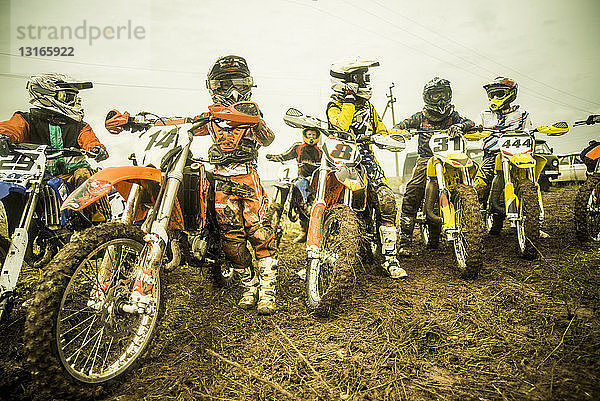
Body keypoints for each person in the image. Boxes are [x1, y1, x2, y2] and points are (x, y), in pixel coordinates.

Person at [196, 55, 278, 315]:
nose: (231, 90)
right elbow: (184, 123)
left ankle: (267, 291)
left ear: (248, 84)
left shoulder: (252, 111)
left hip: (247, 177)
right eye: (224, 84)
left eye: (239, 83)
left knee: (259, 232)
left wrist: (255, 121)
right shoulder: (210, 116)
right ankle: (249, 285)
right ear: (213, 86)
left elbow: (268, 139)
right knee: (231, 238)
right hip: (220, 180)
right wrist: (137, 123)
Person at [326, 57, 407, 279]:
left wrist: (392, 137)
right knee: (326, 200)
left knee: (386, 201)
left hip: (366, 156)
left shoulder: (369, 107)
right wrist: (349, 99)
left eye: (365, 77)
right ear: (346, 81)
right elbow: (341, 125)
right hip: (340, 155)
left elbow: (381, 130)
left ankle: (390, 258)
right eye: (360, 78)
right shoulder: (335, 104)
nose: (365, 81)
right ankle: (320, 253)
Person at [0, 73, 110, 233]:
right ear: (46, 96)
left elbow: (89, 139)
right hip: (37, 177)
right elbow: (11, 128)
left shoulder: (79, 126)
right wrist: (3, 136)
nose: (74, 102)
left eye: (75, 98)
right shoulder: (26, 120)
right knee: (14, 192)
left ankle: (101, 228)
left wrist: (96, 148)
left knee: (88, 177)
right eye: (68, 97)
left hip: (71, 176)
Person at [394, 77, 475, 255]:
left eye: (444, 94)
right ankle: (405, 240)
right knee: (413, 191)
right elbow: (399, 126)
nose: (441, 99)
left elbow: (471, 123)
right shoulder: (420, 116)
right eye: (436, 95)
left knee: (471, 178)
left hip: (450, 158)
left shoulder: (453, 115)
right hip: (427, 158)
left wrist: (460, 126)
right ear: (428, 97)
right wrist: (402, 133)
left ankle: (470, 216)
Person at [472, 77, 533, 216]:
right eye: (491, 94)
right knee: (479, 186)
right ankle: (475, 215)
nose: (494, 97)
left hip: (518, 155)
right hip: (492, 155)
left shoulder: (522, 114)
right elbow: (475, 131)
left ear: (511, 94)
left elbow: (530, 132)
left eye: (499, 94)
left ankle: (536, 222)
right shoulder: (484, 114)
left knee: (532, 182)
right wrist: (474, 131)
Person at [266, 127, 322, 243]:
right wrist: (273, 157)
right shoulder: (298, 147)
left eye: (313, 135)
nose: (311, 137)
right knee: (299, 205)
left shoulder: (320, 150)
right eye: (309, 134)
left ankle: (314, 233)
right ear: (304, 135)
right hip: (301, 180)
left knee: (312, 207)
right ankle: (303, 232)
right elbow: (285, 155)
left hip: (316, 181)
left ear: (317, 136)